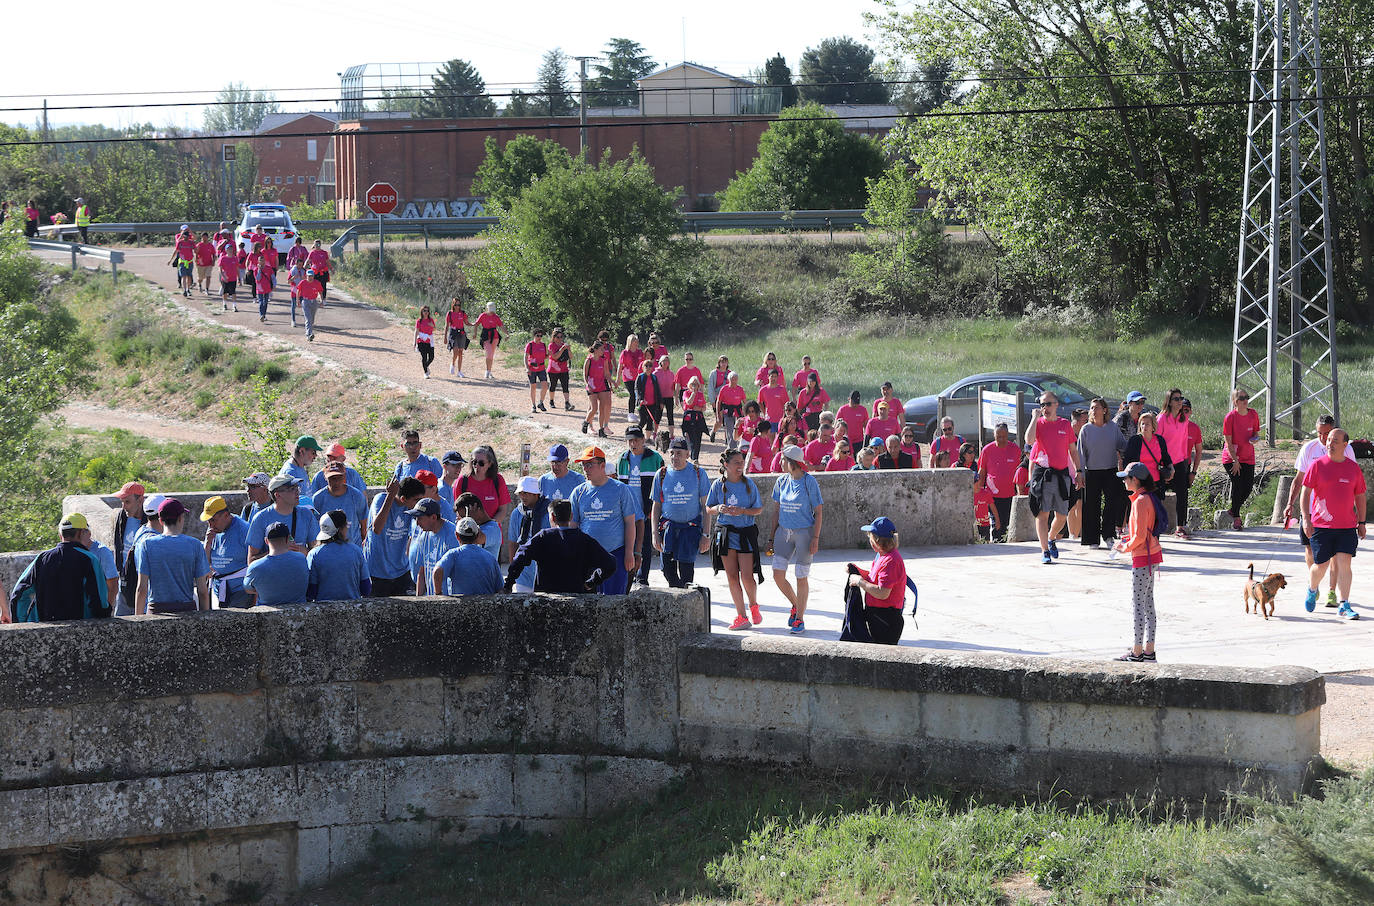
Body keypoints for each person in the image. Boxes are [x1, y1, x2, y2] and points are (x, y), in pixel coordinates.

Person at [1298, 428, 1365, 620]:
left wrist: (1361, 521)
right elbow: (1306, 493)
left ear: (1345, 445)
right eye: (1328, 440)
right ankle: (1312, 589)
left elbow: (1360, 495)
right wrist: (1306, 518)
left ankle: (1344, 604)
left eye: (1335, 440)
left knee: (1345, 563)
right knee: (1321, 565)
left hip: (1346, 526)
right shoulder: (1317, 465)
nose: (1329, 443)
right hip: (1322, 526)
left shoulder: (1353, 468)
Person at [9, 513, 110, 622]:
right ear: (80, 533)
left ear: (60, 535)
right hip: (80, 629)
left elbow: (19, 594)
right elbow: (100, 602)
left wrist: (22, 624)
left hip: (44, 629)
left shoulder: (42, 558)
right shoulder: (90, 559)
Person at [1284, 415, 1340, 608]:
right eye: (1320, 433)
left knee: (1334, 553)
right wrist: (1290, 504)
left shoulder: (1345, 449)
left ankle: (1332, 591)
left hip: (1334, 512)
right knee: (1309, 549)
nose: (1324, 438)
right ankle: (1313, 585)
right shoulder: (1309, 449)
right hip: (1310, 509)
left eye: (1327, 433)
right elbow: (1299, 480)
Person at [504, 499, 617, 593]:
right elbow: (610, 563)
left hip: (546, 600)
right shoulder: (584, 539)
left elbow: (520, 556)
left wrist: (509, 584)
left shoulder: (543, 537)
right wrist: (591, 582)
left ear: (552, 517)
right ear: (571, 516)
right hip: (577, 599)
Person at [570, 445, 640, 595]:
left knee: (614, 602)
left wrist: (629, 553)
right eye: (583, 465)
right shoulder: (578, 492)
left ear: (602, 465)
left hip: (615, 554)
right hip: (587, 556)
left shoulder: (621, 489)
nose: (585, 469)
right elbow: (573, 526)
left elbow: (630, 523)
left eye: (589, 464)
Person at [1111, 463, 1164, 661]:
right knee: (1148, 604)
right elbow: (1143, 532)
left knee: (1138, 606)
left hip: (1143, 558)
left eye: (1126, 478)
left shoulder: (1140, 501)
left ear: (1136, 480)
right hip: (1152, 555)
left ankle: (1137, 651)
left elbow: (1140, 536)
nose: (1124, 481)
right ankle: (1149, 649)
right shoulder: (1147, 498)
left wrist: (1124, 547)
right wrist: (1128, 540)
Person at [708, 448, 765, 630]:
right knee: (732, 576)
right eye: (737, 463)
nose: (740, 466)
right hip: (725, 533)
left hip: (745, 533)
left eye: (742, 462)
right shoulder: (718, 484)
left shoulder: (749, 485)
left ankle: (753, 604)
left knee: (747, 577)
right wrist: (719, 508)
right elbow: (708, 508)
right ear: (726, 465)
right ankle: (741, 616)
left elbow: (758, 509)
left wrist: (743, 511)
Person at [770, 445, 823, 634]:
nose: (780, 463)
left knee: (801, 576)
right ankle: (795, 604)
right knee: (777, 574)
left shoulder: (810, 482)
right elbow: (776, 510)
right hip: (783, 532)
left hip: (805, 534)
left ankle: (799, 619)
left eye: (783, 460)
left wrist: (815, 538)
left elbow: (818, 512)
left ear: (792, 463)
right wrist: (771, 536)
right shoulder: (781, 481)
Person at [1025, 392, 1082, 565]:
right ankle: (1045, 551)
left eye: (1048, 404)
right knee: (1042, 514)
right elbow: (1028, 439)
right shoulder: (1039, 424)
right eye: (1042, 405)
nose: (1045, 408)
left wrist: (1078, 471)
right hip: (1044, 473)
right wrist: (1034, 418)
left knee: (1062, 515)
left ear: (1056, 404)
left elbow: (1072, 450)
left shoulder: (1065, 425)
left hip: (1062, 474)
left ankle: (1051, 538)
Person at [651, 438, 713, 588]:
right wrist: (655, 534)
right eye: (672, 453)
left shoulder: (698, 473)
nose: (674, 457)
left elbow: (706, 507)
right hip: (668, 529)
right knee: (667, 569)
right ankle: (676, 593)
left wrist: (706, 535)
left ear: (687, 454)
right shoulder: (662, 474)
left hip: (690, 529)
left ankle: (684, 598)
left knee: (686, 572)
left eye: (679, 453)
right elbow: (656, 506)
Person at [136, 498, 212, 614]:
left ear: (161, 520)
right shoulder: (195, 545)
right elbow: (202, 591)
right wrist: (204, 619)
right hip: (187, 611)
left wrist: (138, 621)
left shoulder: (147, 545)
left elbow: (142, 589)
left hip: (156, 612)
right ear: (181, 518)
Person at [846, 516, 907, 645]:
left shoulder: (891, 561)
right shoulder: (882, 556)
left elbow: (882, 592)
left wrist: (860, 582)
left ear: (876, 541)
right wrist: (857, 571)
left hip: (886, 620)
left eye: (870, 537)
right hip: (878, 616)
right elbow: (875, 578)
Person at [1076, 400, 1128, 549]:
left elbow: (1122, 445)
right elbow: (1080, 453)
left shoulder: (1113, 427)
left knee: (1112, 504)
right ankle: (1092, 539)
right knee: (1091, 506)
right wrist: (1082, 473)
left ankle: (1108, 535)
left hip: (1111, 471)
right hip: (1092, 472)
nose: (1093, 410)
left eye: (1096, 407)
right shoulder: (1086, 429)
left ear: (1104, 410)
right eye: (1091, 408)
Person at [617, 426, 664, 584]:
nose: (633, 443)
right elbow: (620, 486)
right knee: (629, 543)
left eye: (636, 440)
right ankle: (630, 576)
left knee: (645, 544)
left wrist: (655, 508)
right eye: (630, 440)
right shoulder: (622, 459)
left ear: (643, 440)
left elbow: (662, 485)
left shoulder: (655, 458)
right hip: (628, 510)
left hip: (647, 509)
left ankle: (643, 578)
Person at [367, 477, 425, 595]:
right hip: (377, 572)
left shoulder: (413, 508)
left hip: (401, 571)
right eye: (416, 500)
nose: (419, 504)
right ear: (403, 499)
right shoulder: (381, 499)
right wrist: (390, 496)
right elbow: (377, 528)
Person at [454, 445, 511, 560]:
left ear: (490, 464)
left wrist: (488, 529)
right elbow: (457, 509)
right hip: (468, 537)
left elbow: (502, 510)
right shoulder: (462, 481)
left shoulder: (498, 480)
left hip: (491, 538)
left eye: (481, 463)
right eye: (474, 462)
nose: (476, 466)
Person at [246, 475, 319, 561]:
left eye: (297, 488)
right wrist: (277, 551)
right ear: (277, 495)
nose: (297, 492)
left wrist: (304, 551)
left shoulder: (306, 514)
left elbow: (316, 552)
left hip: (299, 571)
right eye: (292, 489)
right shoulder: (260, 518)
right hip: (272, 573)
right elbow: (251, 561)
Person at [1124, 412, 1173, 533]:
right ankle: (1136, 536)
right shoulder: (1135, 440)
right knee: (1138, 511)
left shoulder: (1159, 440)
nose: (1144, 426)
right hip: (1139, 482)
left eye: (1147, 424)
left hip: (1156, 482)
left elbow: (1166, 458)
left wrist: (1171, 469)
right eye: (1142, 424)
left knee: (1154, 513)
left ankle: (1154, 538)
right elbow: (1128, 461)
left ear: (1153, 427)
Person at [307, 511, 370, 601]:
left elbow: (311, 591)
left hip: (323, 611)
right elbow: (366, 588)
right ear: (341, 528)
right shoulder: (356, 551)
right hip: (353, 609)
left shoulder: (314, 554)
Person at [201, 495, 251, 608]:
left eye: (213, 520)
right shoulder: (213, 532)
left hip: (241, 590)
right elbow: (204, 563)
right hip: (220, 589)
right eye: (208, 521)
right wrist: (208, 544)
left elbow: (255, 559)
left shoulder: (244, 530)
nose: (211, 525)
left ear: (226, 515)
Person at [243, 522, 309, 607]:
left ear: (266, 541)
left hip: (267, 615)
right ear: (288, 538)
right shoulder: (301, 558)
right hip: (299, 612)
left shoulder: (255, 567)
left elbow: (248, 589)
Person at [1222, 388, 1261, 530]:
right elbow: (1228, 441)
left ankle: (1233, 509)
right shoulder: (1230, 417)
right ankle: (1237, 519)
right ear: (1235, 402)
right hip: (1232, 457)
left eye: (1246, 397)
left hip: (1248, 456)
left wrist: (1255, 439)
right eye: (1241, 398)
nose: (1245, 400)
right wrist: (1235, 461)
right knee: (1238, 486)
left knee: (1248, 487)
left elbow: (1256, 433)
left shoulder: (1253, 414)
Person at [434, 517, 503, 595]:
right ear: (477, 535)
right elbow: (500, 588)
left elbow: (437, 571)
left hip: (461, 606)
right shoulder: (490, 557)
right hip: (486, 605)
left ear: (457, 535)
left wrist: (438, 594)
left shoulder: (453, 555)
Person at [976, 424, 1020, 543]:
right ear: (994, 435)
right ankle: (996, 544)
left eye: (1004, 436)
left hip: (1010, 494)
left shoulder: (1015, 449)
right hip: (992, 496)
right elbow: (982, 471)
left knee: (1006, 523)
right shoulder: (987, 450)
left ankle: (1005, 545)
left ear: (1008, 435)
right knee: (996, 523)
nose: (1001, 439)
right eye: (998, 436)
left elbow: (1019, 471)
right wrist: (979, 490)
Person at [506, 476, 549, 592]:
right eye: (520, 493)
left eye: (526, 493)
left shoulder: (548, 512)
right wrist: (513, 570)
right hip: (523, 575)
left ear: (536, 494)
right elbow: (513, 542)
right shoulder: (517, 513)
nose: (522, 497)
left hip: (544, 572)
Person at [407, 498, 458, 596]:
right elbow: (421, 573)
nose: (417, 523)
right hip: (432, 598)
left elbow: (458, 573)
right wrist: (419, 602)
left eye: (420, 518)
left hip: (450, 600)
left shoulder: (452, 535)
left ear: (434, 517)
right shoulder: (424, 535)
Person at [312, 462, 370, 548]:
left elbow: (364, 524)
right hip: (327, 548)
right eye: (332, 478)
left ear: (344, 477)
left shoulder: (357, 496)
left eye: (339, 477)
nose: (336, 482)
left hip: (352, 547)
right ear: (325, 477)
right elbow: (314, 526)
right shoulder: (318, 498)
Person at [112, 481, 147, 615]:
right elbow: (118, 545)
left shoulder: (149, 520)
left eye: (127, 502)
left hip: (142, 578)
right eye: (122, 502)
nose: (124, 506)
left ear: (140, 500)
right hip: (124, 580)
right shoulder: (122, 516)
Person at [582, 341, 613, 438]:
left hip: (601, 386)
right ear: (595, 350)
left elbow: (607, 374)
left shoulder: (604, 360)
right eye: (601, 349)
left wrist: (613, 382)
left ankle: (601, 429)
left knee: (602, 408)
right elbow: (585, 375)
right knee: (594, 408)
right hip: (591, 386)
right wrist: (588, 385)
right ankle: (586, 422)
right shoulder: (589, 360)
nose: (603, 351)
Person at [680, 376, 709, 462]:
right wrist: (693, 393)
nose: (694, 386)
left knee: (698, 439)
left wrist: (698, 409)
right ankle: (693, 458)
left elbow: (704, 407)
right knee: (692, 440)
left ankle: (695, 458)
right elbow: (688, 402)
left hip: (698, 418)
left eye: (696, 384)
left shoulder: (701, 394)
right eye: (692, 384)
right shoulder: (686, 393)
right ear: (689, 385)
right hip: (689, 419)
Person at [716, 371, 746, 450]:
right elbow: (718, 402)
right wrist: (718, 414)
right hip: (727, 411)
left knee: (738, 429)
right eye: (732, 379)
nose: (734, 381)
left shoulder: (740, 389)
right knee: (729, 429)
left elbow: (745, 402)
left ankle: (731, 447)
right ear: (729, 380)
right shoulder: (724, 389)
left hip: (738, 411)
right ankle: (732, 448)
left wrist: (747, 413)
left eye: (735, 379)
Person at [619, 334, 646, 420]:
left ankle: (640, 413)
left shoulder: (640, 352)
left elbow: (643, 364)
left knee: (639, 394)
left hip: (637, 376)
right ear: (630, 342)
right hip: (628, 376)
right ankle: (630, 413)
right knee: (632, 394)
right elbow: (620, 366)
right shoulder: (625, 352)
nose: (636, 343)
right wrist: (617, 379)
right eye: (634, 341)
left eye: (637, 341)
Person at [634, 356, 662, 435]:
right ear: (643, 367)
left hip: (652, 403)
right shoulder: (640, 377)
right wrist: (641, 399)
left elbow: (658, 390)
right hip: (642, 404)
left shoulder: (654, 377)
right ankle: (636, 434)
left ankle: (648, 438)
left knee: (650, 421)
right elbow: (637, 389)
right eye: (646, 366)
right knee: (643, 420)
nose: (648, 367)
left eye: (650, 366)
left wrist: (660, 402)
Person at [547, 327, 573, 409]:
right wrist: (561, 349)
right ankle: (551, 400)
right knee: (553, 385)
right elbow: (554, 356)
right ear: (554, 338)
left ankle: (567, 403)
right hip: (553, 369)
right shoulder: (551, 345)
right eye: (558, 337)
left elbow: (571, 357)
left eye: (561, 337)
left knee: (565, 386)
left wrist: (569, 350)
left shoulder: (564, 345)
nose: (560, 339)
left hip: (563, 369)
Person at [525, 328, 550, 412]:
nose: (539, 337)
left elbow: (544, 357)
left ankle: (541, 403)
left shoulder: (543, 345)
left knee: (545, 386)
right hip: (532, 369)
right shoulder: (530, 345)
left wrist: (549, 355)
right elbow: (525, 357)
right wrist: (527, 368)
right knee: (533, 387)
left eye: (541, 336)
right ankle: (533, 405)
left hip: (541, 368)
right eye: (537, 335)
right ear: (534, 336)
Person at [707, 355, 731, 442]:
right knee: (719, 421)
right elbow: (711, 388)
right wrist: (712, 401)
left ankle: (727, 439)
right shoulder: (714, 373)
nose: (724, 364)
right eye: (722, 362)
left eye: (725, 362)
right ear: (719, 363)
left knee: (727, 421)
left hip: (728, 401)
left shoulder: (730, 374)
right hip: (718, 401)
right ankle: (713, 431)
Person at [477, 302, 504, 379]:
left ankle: (489, 371)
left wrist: (507, 334)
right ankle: (487, 371)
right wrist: (475, 333)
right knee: (489, 353)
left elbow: (501, 326)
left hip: (495, 337)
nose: (491, 311)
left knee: (491, 355)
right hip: (486, 336)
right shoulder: (483, 315)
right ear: (487, 308)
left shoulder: (496, 317)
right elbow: (476, 324)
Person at [296, 269, 324, 342]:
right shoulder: (303, 282)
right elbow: (298, 291)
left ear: (313, 276)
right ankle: (309, 334)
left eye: (311, 276)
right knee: (308, 319)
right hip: (305, 301)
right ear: (306, 276)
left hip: (314, 302)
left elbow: (320, 292)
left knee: (312, 319)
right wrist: (298, 301)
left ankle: (309, 332)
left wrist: (321, 301)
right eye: (309, 276)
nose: (310, 277)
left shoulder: (317, 283)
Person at [445, 297, 470, 377]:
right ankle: (452, 364)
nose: (457, 306)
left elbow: (466, 322)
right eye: (455, 305)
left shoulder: (462, 313)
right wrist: (445, 336)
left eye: (458, 305)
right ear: (453, 304)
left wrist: (474, 324)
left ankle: (459, 371)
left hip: (461, 333)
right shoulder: (450, 313)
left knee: (460, 352)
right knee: (455, 351)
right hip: (453, 333)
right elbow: (446, 326)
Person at [653, 355, 677, 435]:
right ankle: (654, 433)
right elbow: (653, 387)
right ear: (660, 362)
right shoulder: (655, 373)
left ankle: (672, 434)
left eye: (667, 360)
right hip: (659, 397)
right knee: (658, 416)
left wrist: (676, 396)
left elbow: (674, 386)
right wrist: (658, 399)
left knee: (670, 416)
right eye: (664, 360)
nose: (666, 362)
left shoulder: (671, 373)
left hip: (669, 397)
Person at [169, 227, 196, 298]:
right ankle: (184, 290)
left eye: (187, 236)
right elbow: (176, 251)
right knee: (183, 276)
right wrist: (171, 260)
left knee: (189, 276)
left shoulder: (191, 242)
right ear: (183, 236)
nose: (186, 238)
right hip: (182, 262)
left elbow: (195, 250)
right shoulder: (180, 243)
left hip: (190, 261)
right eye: (185, 236)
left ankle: (188, 289)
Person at [974, 475, 1000, 541]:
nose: (975, 484)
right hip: (973, 524)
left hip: (984, 523)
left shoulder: (986, 493)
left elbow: (993, 507)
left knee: (985, 542)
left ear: (979, 481)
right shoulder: (968, 494)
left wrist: (997, 520)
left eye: (975, 481)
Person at [217, 239, 240, 312]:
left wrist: (239, 278)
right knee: (225, 293)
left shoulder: (235, 258)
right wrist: (223, 277)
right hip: (225, 279)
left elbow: (237, 269)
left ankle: (234, 306)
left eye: (231, 249)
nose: (230, 250)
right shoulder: (223, 258)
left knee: (233, 292)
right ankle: (224, 304)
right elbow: (220, 269)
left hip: (233, 278)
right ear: (226, 250)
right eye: (228, 249)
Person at [415, 305, 436, 379]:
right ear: (422, 312)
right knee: (424, 357)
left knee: (431, 357)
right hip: (421, 341)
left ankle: (426, 367)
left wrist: (432, 326)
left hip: (429, 340)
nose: (426, 312)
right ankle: (426, 372)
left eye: (427, 311)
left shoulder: (431, 320)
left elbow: (434, 330)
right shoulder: (419, 321)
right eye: (424, 311)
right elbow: (416, 331)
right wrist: (414, 343)